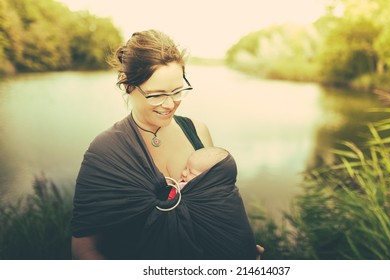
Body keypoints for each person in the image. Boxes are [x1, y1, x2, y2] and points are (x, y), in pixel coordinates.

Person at [70, 29, 263, 259]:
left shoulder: (198, 132)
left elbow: (217, 208)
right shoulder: (105, 151)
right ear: (127, 85)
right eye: (156, 94)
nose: (170, 104)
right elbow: (84, 248)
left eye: (177, 91)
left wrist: (234, 248)